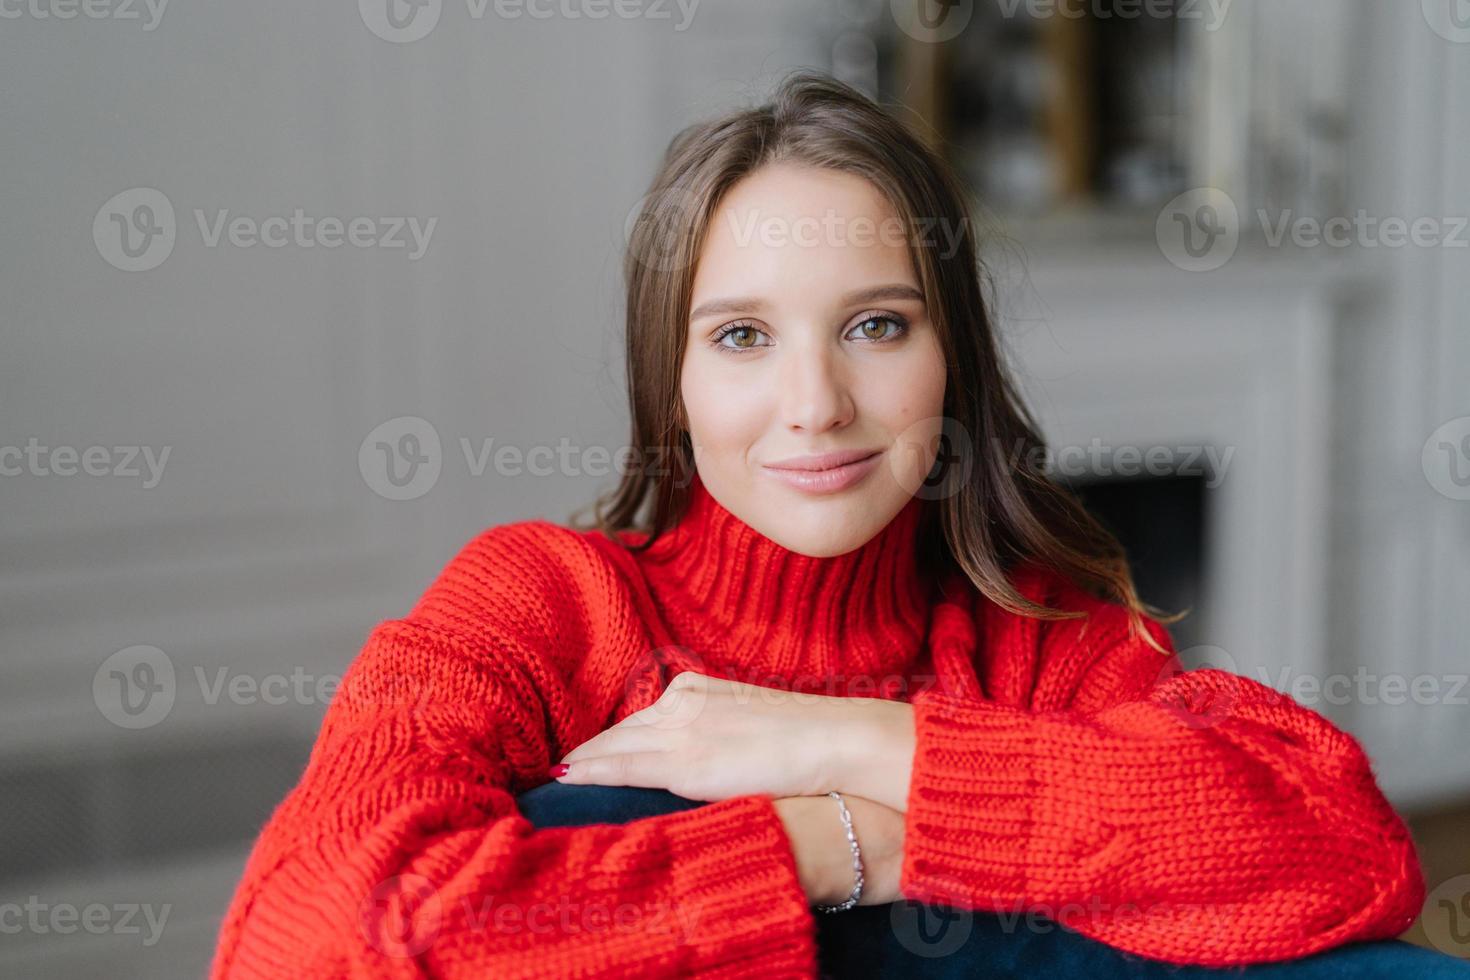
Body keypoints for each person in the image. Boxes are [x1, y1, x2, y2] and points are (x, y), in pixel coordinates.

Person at [208, 70, 1462, 978]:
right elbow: (307, 940)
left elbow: (1346, 849)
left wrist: (858, 749)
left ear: (950, 358)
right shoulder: (543, 600)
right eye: (743, 335)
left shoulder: (1034, 631)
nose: (815, 405)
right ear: (675, 379)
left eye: (878, 324)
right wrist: (821, 845)